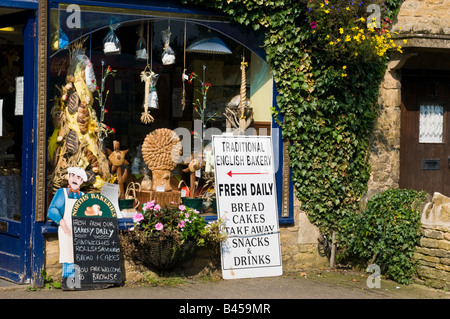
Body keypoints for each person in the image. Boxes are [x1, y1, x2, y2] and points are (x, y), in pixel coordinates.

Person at [47, 167, 87, 288]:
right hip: (66, 229)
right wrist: (61, 221)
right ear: (68, 177)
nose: (75, 179)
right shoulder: (62, 192)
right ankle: (68, 282)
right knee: (68, 255)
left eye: (78, 178)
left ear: (82, 181)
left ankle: (79, 281)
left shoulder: (83, 196)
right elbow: (52, 210)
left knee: (80, 254)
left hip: (80, 229)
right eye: (72, 176)